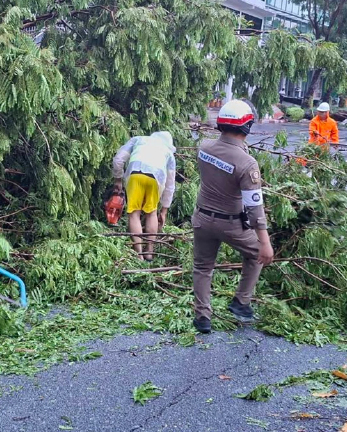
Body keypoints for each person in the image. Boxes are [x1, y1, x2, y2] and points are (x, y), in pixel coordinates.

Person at [191, 100, 275, 334]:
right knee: (257, 254)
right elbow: (254, 207)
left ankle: (202, 317)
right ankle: (241, 301)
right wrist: (265, 243)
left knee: (202, 267)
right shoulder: (247, 164)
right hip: (231, 223)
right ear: (247, 126)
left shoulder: (204, 148)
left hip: (202, 219)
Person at [112, 131, 177, 260]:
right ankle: (149, 252)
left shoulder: (138, 140)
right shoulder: (169, 154)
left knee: (134, 213)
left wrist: (118, 179)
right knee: (152, 213)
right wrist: (164, 210)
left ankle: (139, 254)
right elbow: (170, 185)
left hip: (135, 175)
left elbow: (118, 159)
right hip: (156, 179)